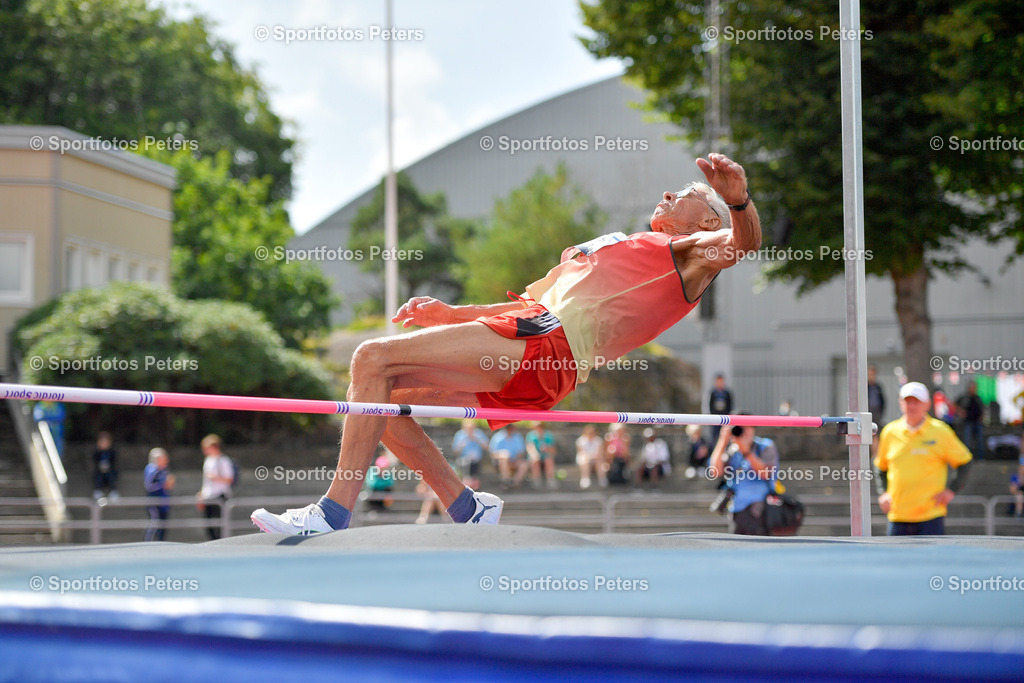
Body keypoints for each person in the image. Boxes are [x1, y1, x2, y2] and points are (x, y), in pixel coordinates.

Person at [251, 152, 761, 535]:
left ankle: (332, 513)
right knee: (378, 402)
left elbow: (744, 244)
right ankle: (467, 507)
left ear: (708, 220)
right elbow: (529, 307)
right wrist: (453, 314)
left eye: (685, 194)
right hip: (536, 345)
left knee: (371, 358)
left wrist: (738, 201)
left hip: (547, 347)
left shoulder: (691, 253)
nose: (669, 194)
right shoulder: (621, 247)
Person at [874, 382, 973, 536]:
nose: (912, 406)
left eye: (917, 402)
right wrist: (883, 492)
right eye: (908, 401)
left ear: (927, 404)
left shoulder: (941, 431)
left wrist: (951, 491)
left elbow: (965, 461)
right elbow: (880, 466)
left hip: (931, 516)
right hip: (898, 515)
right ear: (900, 403)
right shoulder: (889, 432)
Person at [707, 422, 781, 536]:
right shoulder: (732, 450)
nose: (743, 431)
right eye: (739, 427)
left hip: (760, 509)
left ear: (753, 428)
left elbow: (766, 474)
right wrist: (723, 440)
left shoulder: (764, 446)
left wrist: (746, 451)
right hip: (736, 510)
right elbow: (715, 471)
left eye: (746, 427)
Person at [196, 434, 234, 540]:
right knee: (209, 525)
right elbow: (206, 481)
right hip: (208, 496)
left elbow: (229, 478)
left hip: (219, 495)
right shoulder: (208, 460)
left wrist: (215, 477)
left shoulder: (223, 460)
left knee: (219, 526)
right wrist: (201, 495)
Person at [143, 448, 175, 542]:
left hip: (164, 502)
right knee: (154, 523)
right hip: (154, 502)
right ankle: (147, 543)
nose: (167, 460)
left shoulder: (165, 469)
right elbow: (148, 486)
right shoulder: (152, 469)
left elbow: (167, 485)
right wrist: (162, 485)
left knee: (163, 526)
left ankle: (161, 543)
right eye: (164, 457)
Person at [452, 419, 489, 489]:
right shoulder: (460, 435)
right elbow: (456, 451)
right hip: (464, 458)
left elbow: (486, 447)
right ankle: (467, 480)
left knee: (474, 463)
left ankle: (474, 481)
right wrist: (463, 443)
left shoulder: (479, 434)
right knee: (466, 462)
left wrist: (477, 439)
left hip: (477, 459)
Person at [489, 424, 529, 489]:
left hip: (515, 460)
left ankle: (515, 482)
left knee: (524, 464)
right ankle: (506, 481)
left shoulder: (518, 437)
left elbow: (521, 452)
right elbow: (492, 453)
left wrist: (516, 458)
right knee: (504, 459)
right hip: (500, 461)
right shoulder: (497, 437)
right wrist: (503, 455)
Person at [956, 381, 985, 460]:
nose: (973, 389)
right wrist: (960, 412)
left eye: (974, 387)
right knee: (967, 441)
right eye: (971, 387)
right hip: (968, 421)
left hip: (977, 421)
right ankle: (967, 458)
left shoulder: (977, 398)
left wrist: (982, 416)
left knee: (980, 441)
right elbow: (956, 405)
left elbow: (982, 408)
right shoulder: (964, 397)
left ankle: (980, 458)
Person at [526, 422, 558, 490]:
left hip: (546, 457)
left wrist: (547, 448)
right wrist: (535, 454)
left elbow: (554, 450)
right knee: (535, 460)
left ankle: (550, 479)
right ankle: (536, 480)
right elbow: (530, 447)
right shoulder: (530, 436)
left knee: (549, 459)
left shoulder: (548, 435)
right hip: (535, 457)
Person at [575, 425, 607, 489]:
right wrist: (589, 457)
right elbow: (581, 452)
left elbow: (600, 453)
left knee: (600, 461)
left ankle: (602, 479)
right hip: (585, 458)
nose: (590, 434)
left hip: (596, 459)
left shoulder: (599, 441)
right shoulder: (580, 441)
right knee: (584, 460)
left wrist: (593, 457)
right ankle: (585, 478)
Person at [92, 431, 119, 500]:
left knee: (112, 476)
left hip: (110, 471)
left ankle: (113, 492)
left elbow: (114, 462)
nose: (104, 444)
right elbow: (95, 461)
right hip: (99, 472)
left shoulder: (112, 452)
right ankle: (98, 491)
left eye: (106, 441)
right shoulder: (97, 452)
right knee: (98, 477)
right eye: (102, 441)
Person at [708, 374, 733, 443]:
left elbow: (730, 405)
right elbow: (710, 405)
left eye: (721, 381)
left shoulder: (727, 393)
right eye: (718, 382)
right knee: (715, 437)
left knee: (725, 434)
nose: (719, 383)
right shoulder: (712, 393)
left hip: (725, 418)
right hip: (715, 419)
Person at [867, 365, 885, 456]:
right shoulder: (865, 387)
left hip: (877, 412)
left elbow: (882, 400)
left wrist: (881, 411)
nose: (871, 376)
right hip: (867, 412)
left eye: (873, 374)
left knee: (876, 434)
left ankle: (875, 455)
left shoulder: (878, 387)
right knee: (867, 433)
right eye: (870, 374)